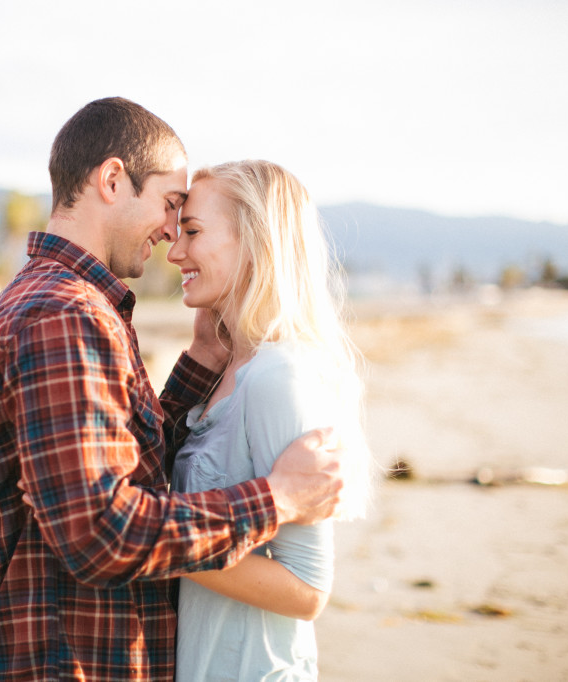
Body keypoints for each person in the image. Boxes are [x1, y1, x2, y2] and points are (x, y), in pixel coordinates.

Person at [0, 98, 347, 681]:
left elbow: (123, 466)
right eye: (171, 206)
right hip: (70, 663)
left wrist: (199, 363)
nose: (171, 234)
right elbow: (99, 530)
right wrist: (278, 500)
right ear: (113, 180)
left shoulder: (72, 306)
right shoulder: (63, 315)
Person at [166, 160, 374, 681]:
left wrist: (151, 543)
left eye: (192, 232)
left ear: (256, 241)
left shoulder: (277, 376)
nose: (174, 252)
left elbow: (307, 590)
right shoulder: (226, 370)